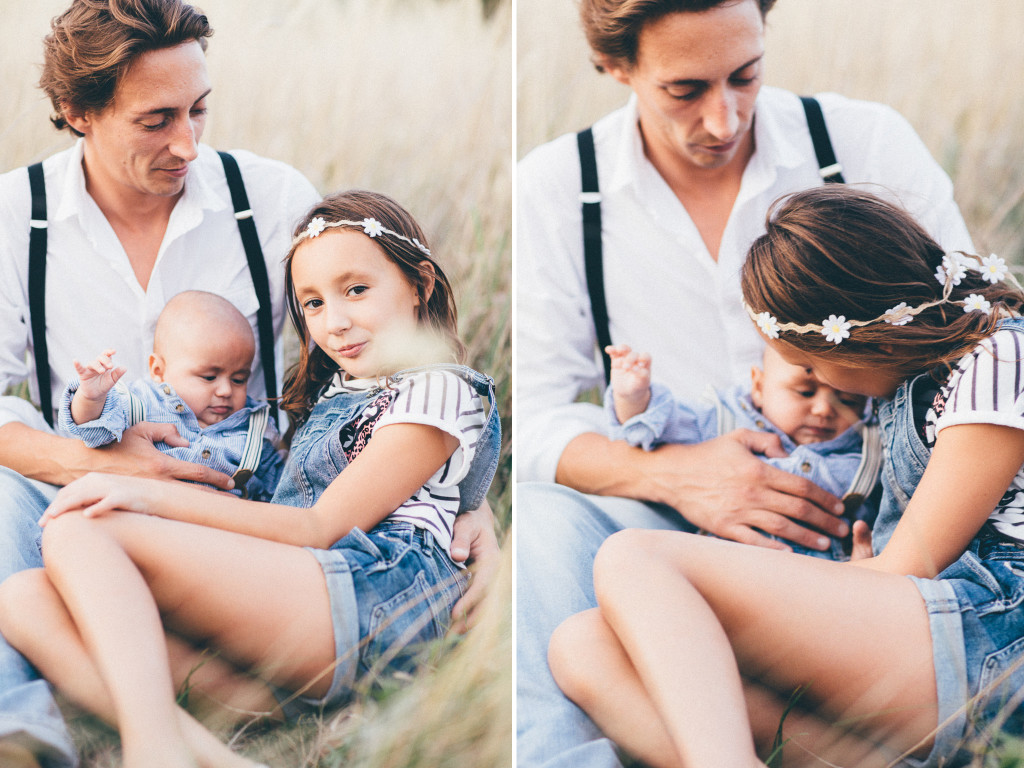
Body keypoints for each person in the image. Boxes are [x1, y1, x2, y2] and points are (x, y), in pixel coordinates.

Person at [0, 2, 498, 765]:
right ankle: (33, 727)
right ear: (77, 112)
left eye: (199, 110)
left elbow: (372, 364)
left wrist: (471, 502)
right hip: (75, 470)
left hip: (246, 493)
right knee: (20, 548)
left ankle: (153, 737)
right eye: (156, 120)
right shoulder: (13, 218)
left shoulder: (265, 199)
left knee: (81, 529)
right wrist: (95, 467)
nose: (188, 144)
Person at [515, 1, 973, 763]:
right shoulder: (556, 188)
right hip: (661, 512)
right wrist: (673, 475)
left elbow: (959, 342)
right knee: (540, 520)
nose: (723, 121)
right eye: (685, 90)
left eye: (746, 76)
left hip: (861, 515)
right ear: (617, 66)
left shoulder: (863, 142)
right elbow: (533, 414)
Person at [548, 185, 1024, 768]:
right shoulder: (913, 379)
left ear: (850, 332)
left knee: (634, 559)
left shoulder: (996, 359)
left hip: (996, 631)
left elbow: (910, 567)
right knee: (584, 647)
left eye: (805, 362)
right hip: (934, 633)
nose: (823, 387)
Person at [605, 343, 874, 559]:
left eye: (847, 399)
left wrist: (869, 558)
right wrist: (634, 399)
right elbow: (654, 430)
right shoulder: (725, 419)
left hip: (816, 591)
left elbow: (892, 520)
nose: (823, 409)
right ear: (758, 386)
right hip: (724, 576)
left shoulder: (870, 452)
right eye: (804, 392)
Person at [59, 291, 284, 501]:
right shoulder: (141, 402)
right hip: (138, 524)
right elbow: (91, 432)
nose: (225, 391)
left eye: (239, 379)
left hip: (219, 534)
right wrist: (90, 399)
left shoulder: (255, 429)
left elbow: (281, 493)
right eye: (208, 377)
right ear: (158, 370)